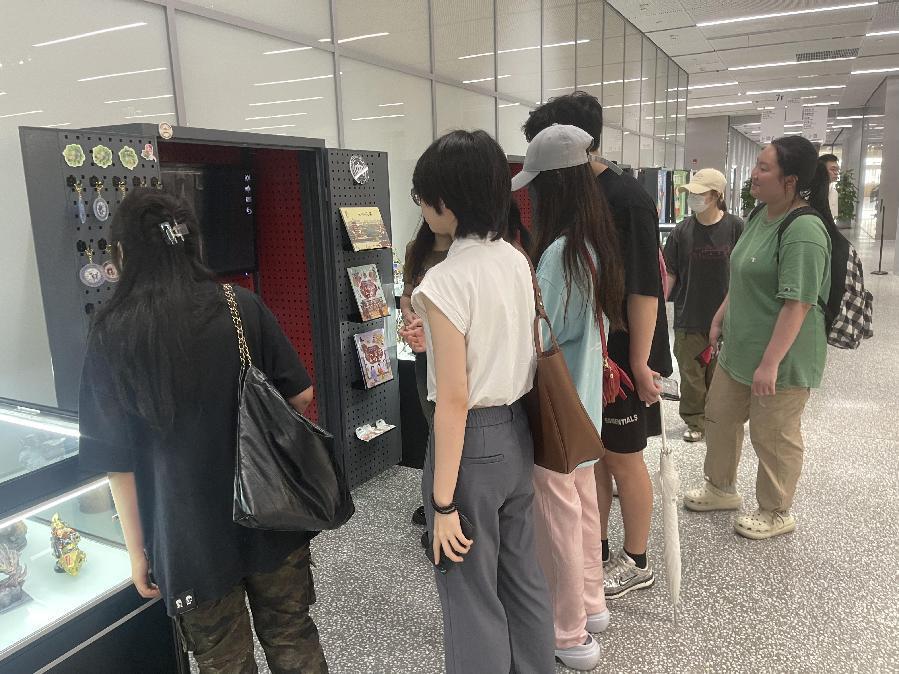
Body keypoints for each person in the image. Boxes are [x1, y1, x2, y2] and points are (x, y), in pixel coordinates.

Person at [78, 190, 327, 673]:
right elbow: (301, 395)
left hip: (186, 534)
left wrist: (138, 552)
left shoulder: (112, 333)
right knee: (292, 636)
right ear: (192, 244)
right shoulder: (240, 306)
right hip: (273, 512)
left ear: (123, 253)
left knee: (222, 662)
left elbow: (117, 462)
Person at [409, 129, 555, 674]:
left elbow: (453, 400)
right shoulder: (515, 259)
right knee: (521, 577)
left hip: (470, 445)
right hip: (517, 432)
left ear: (446, 201)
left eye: (422, 196)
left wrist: (443, 505)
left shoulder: (443, 281)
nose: (422, 208)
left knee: (469, 595)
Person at [524, 92, 673, 600]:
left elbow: (646, 287)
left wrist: (640, 361)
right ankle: (598, 549)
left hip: (624, 352)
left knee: (623, 457)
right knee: (596, 457)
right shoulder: (580, 200)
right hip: (593, 349)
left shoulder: (626, 199)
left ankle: (637, 559)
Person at [511, 124, 626, 670]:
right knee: (581, 509)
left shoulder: (558, 255)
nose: (530, 198)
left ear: (552, 186)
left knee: (557, 519)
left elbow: (540, 334)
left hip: (556, 410)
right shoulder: (592, 242)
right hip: (585, 406)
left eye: (535, 186)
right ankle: (591, 604)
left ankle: (569, 633)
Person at [684, 135, 833, 540]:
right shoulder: (759, 215)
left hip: (782, 358)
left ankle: (776, 510)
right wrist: (721, 315)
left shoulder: (804, 229)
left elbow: (798, 304)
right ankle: (720, 488)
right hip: (740, 348)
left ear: (791, 180)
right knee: (720, 416)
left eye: (764, 168)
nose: (754, 174)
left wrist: (769, 363)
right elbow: (743, 274)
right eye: (756, 165)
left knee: (773, 435)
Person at [663, 169, 744, 443]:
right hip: (689, 316)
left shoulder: (736, 227)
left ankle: (718, 421)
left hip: (727, 317)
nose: (694, 198)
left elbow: (745, 272)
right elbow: (670, 272)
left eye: (700, 193)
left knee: (721, 377)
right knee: (691, 376)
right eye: (691, 193)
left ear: (716, 195)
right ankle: (695, 421)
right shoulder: (681, 231)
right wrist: (657, 306)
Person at [400, 222, 452, 529]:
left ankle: (448, 502)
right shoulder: (415, 249)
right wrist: (410, 316)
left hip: (455, 354)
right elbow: (407, 296)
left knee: (453, 423)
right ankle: (436, 497)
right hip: (424, 357)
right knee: (432, 421)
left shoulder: (465, 252)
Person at [820, 153, 841, 225]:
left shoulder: (834, 192)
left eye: (837, 170)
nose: (836, 173)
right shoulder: (809, 192)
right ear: (821, 170)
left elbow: (832, 217)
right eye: (833, 169)